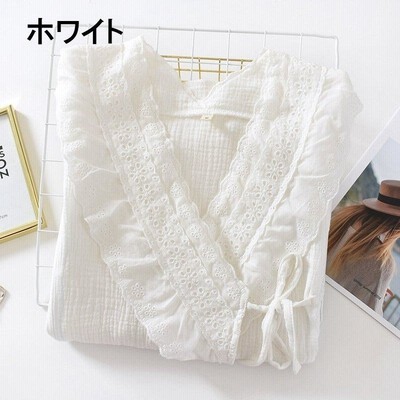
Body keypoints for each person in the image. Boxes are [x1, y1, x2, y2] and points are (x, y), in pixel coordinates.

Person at [327, 180, 400, 316]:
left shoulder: (342, 220)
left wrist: (375, 286)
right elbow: (370, 319)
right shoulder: (381, 262)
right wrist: (378, 291)